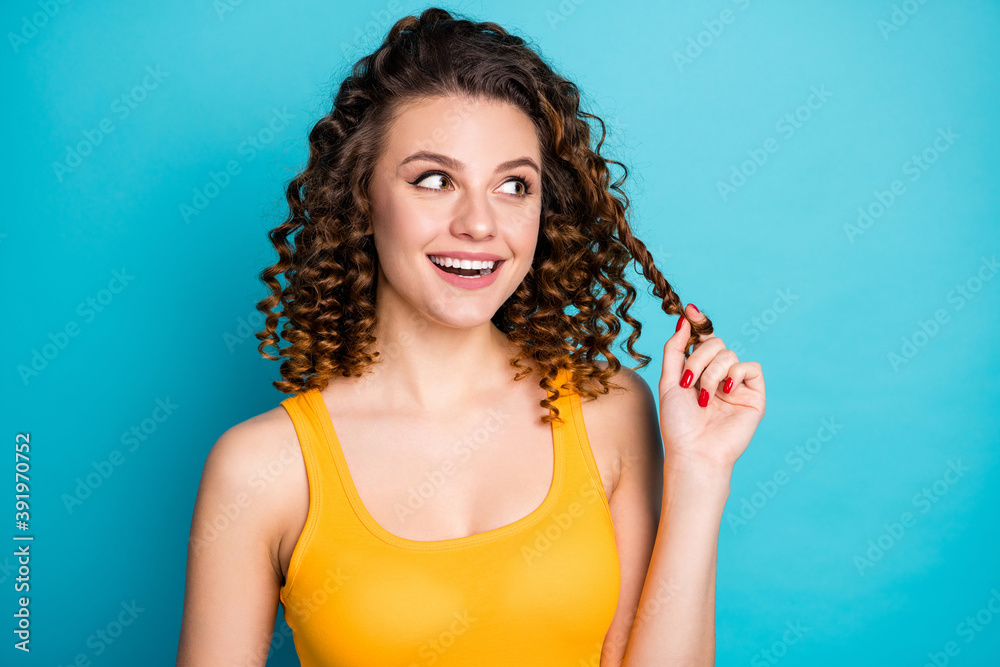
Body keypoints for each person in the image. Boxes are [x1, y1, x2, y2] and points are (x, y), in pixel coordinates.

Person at [177, 7, 765, 666]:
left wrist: (702, 474)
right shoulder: (261, 470)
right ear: (363, 194)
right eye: (435, 180)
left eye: (514, 185)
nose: (480, 224)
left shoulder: (612, 411)